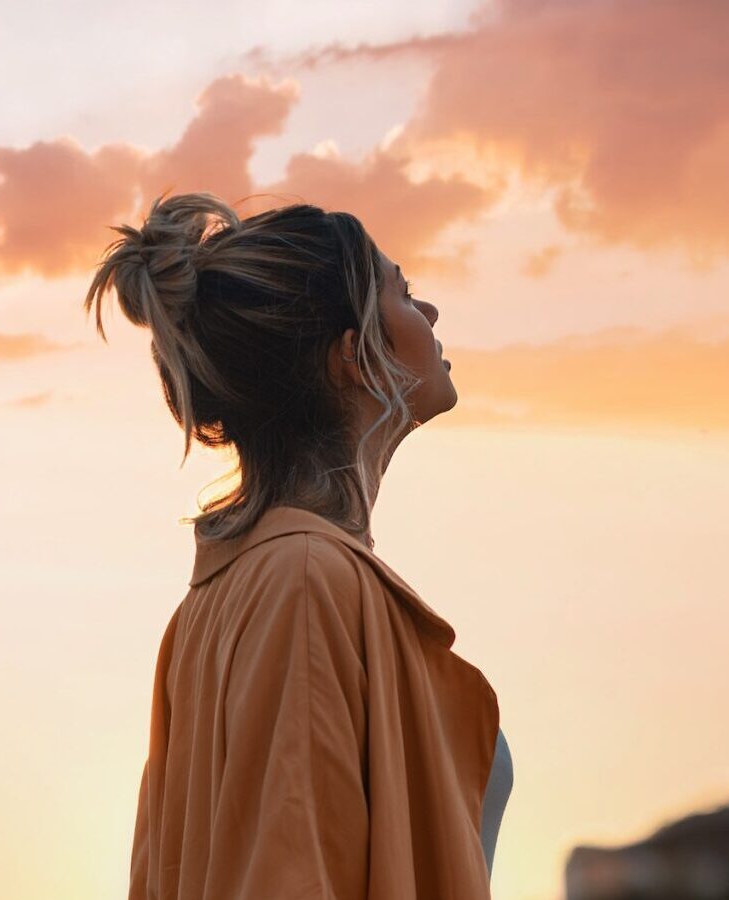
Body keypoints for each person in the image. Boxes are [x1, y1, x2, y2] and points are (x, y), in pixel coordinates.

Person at [84, 191, 512, 899]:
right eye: (402, 294)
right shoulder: (304, 577)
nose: (429, 314)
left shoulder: (239, 591)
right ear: (352, 355)